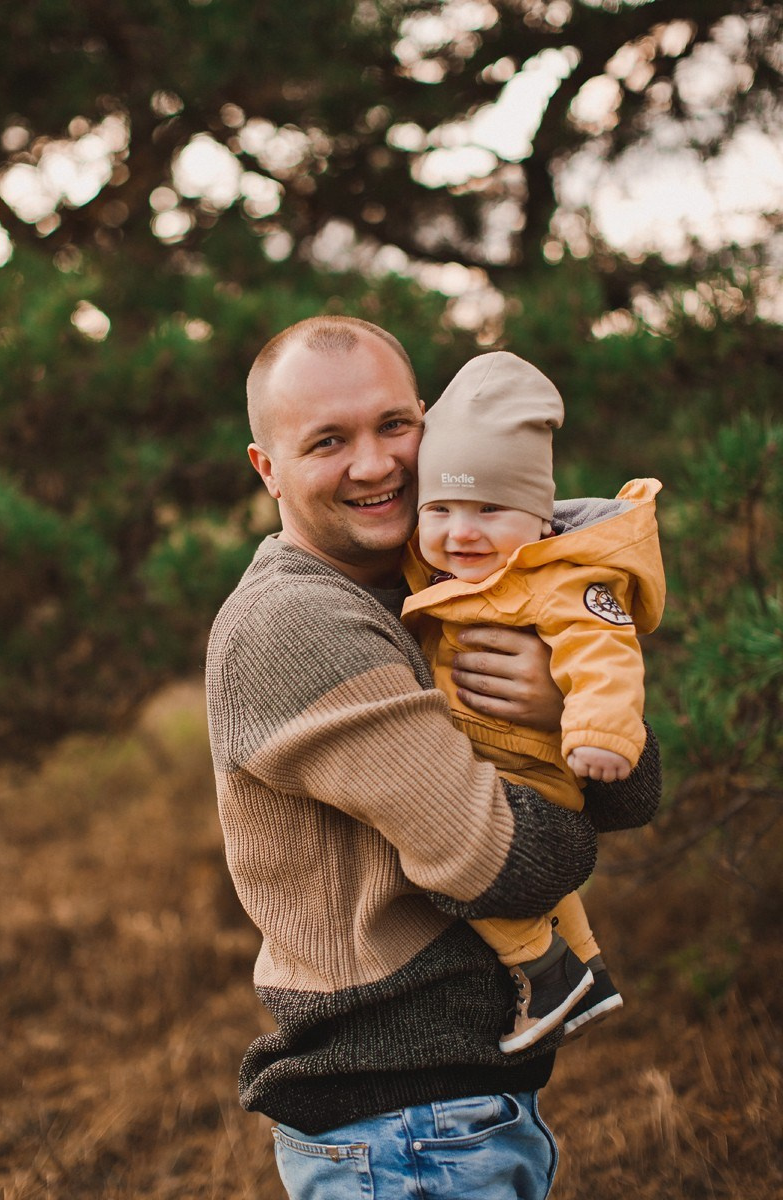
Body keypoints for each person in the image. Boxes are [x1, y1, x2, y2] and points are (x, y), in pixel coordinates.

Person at [205, 315, 661, 1200]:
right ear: (268, 468)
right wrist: (569, 765)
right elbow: (509, 863)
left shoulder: (446, 585)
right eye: (328, 441)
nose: (374, 464)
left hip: (462, 1110)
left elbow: (631, 789)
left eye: (393, 426)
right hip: (403, 1128)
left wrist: (560, 705)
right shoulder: (296, 623)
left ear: (430, 421)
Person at [401, 351, 665, 1055]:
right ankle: (589, 972)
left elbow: (603, 653)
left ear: (541, 522)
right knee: (538, 885)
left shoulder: (561, 582)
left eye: (489, 509)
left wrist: (599, 730)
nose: (462, 532)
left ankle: (544, 971)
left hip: (532, 766)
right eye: (440, 510)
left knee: (454, 856)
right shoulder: (448, 570)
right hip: (496, 759)